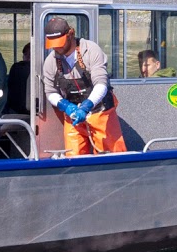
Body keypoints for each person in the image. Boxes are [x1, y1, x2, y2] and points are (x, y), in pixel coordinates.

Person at [40, 17, 126, 156]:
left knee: (112, 156)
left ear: (71, 34)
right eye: (53, 44)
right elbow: (50, 92)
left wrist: (86, 107)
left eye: (60, 43)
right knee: (74, 158)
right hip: (73, 117)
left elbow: (101, 83)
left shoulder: (91, 50)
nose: (57, 48)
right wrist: (66, 106)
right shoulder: (51, 61)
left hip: (101, 112)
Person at [4, 42, 32, 115]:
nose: (28, 57)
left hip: (14, 110)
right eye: (26, 54)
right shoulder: (17, 68)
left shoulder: (16, 67)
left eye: (30, 54)